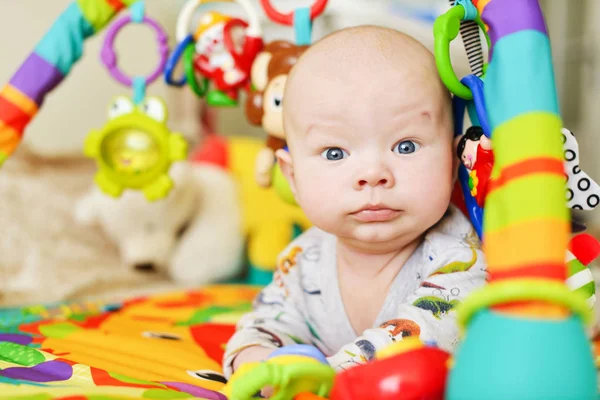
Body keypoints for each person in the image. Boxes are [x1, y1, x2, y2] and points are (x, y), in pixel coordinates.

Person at [223, 25, 488, 378]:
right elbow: (267, 323)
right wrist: (256, 358)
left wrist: (325, 374)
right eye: (335, 152)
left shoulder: (461, 260)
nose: (373, 174)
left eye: (405, 146)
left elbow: (421, 341)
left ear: (453, 161)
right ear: (293, 178)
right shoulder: (302, 260)